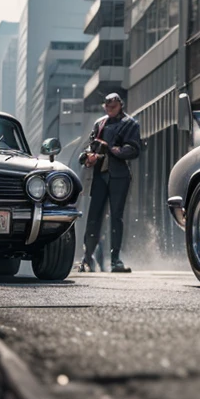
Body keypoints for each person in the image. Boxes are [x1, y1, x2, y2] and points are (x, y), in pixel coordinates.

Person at [77, 93, 141, 273]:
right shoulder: (100, 123)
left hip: (118, 175)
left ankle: (115, 259)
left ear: (120, 105)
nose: (109, 109)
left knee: (116, 217)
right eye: (107, 106)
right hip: (100, 174)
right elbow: (90, 145)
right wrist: (88, 157)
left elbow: (134, 149)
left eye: (113, 106)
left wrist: (111, 149)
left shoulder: (130, 124)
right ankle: (87, 257)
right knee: (93, 217)